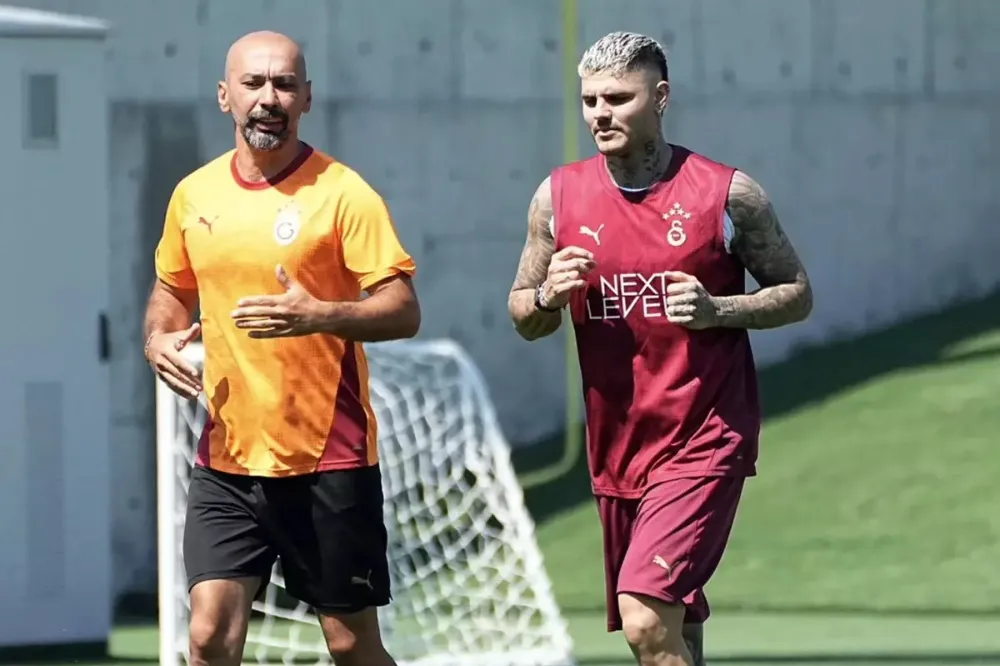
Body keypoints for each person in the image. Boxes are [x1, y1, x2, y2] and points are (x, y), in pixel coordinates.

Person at [508, 31, 813, 666]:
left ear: (662, 97)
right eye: (590, 100)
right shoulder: (556, 199)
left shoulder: (727, 194)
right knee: (675, 632)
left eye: (618, 98)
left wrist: (717, 310)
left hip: (704, 439)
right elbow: (523, 315)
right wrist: (546, 297)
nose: (600, 114)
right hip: (618, 450)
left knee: (645, 617)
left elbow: (796, 293)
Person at [143, 31, 419, 666]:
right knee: (208, 636)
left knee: (350, 645)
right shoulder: (194, 195)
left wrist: (320, 314)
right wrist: (158, 337)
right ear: (225, 96)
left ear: (306, 99)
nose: (269, 98)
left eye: (284, 84)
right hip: (227, 460)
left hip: (329, 460)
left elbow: (403, 309)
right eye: (254, 83)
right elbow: (171, 289)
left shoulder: (344, 193)